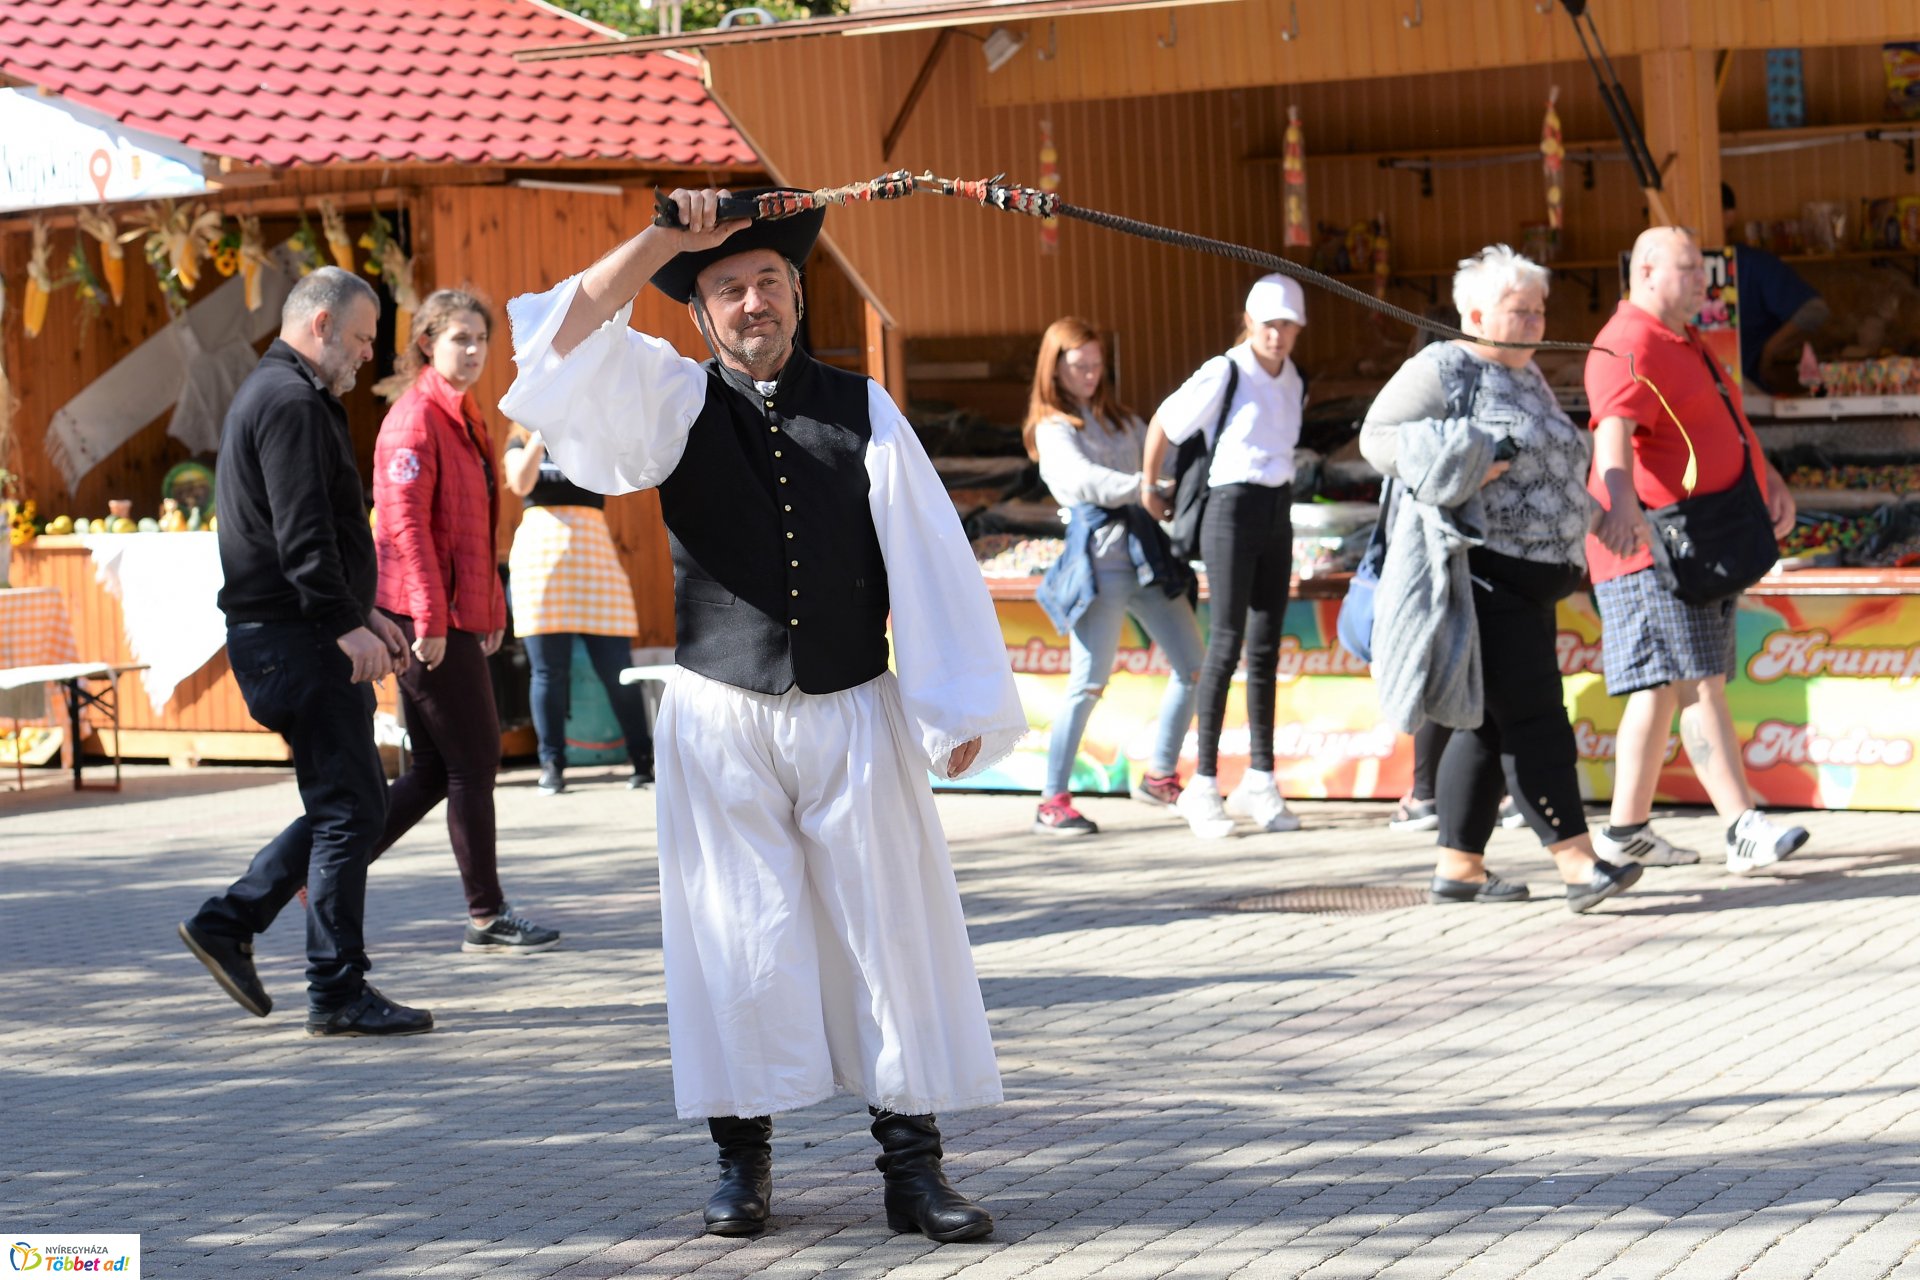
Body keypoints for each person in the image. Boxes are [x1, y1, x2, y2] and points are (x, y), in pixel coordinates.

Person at [498, 187, 1024, 1243]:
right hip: (720, 714)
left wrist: (953, 699)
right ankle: (744, 1166)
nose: (750, 303)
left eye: (768, 283)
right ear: (700, 312)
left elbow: (927, 557)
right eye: (729, 288)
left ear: (797, 294)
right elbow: (553, 346)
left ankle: (913, 1173)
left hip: (852, 707)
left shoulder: (865, 406)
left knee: (892, 933)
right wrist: (662, 238)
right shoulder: (668, 399)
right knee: (732, 936)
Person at [177, 267, 432, 1037]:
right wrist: (342, 622)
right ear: (319, 324)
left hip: (300, 632)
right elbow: (302, 533)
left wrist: (367, 615)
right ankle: (334, 988)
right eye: (358, 339)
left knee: (344, 806)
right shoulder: (287, 400)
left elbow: (317, 531)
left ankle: (232, 924)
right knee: (352, 811)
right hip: (296, 638)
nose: (363, 357)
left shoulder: (291, 394)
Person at [1362, 245, 1643, 913]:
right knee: (1538, 719)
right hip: (1482, 574)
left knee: (1484, 726)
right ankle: (1577, 864)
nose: (1536, 323)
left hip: (1536, 576)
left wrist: (1598, 516)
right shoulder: (1444, 366)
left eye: (1541, 311)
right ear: (1477, 313)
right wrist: (1468, 457)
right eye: (1521, 312)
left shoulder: (1529, 375)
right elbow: (1379, 437)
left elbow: (1548, 468)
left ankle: (1459, 868)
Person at [1584, 227, 1810, 874]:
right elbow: (1613, 432)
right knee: (1695, 683)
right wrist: (1622, 503)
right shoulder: (1627, 340)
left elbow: (1726, 424)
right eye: (1689, 270)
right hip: (1653, 543)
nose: (1704, 284)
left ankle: (1626, 830)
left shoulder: (1684, 341)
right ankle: (1741, 826)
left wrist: (1768, 479)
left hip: (1696, 538)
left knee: (1666, 689)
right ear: (1647, 270)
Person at [369, 289, 560, 955]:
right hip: (428, 619)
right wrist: (429, 618)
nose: (474, 351)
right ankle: (487, 912)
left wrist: (491, 605)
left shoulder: (463, 415)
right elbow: (406, 531)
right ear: (428, 343)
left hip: (453, 615)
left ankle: (311, 870)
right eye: (460, 339)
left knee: (431, 772)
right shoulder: (415, 418)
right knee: (475, 763)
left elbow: (476, 525)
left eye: (481, 339)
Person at [1141, 274, 1309, 839]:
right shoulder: (1227, 369)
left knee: (1265, 648)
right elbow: (1165, 420)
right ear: (1250, 321)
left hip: (1275, 508)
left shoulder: (1293, 379)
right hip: (1229, 508)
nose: (1278, 336)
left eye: (1288, 325)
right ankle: (1204, 784)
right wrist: (1148, 485)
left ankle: (1261, 777)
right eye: (1269, 324)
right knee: (1226, 644)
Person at [1027, 317, 1206, 836]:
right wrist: (1146, 486)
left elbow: (1163, 453)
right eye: (1079, 366)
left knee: (1194, 665)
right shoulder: (1052, 426)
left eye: (1097, 366)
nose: (1089, 375)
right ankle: (1052, 800)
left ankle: (1159, 774)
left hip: (1147, 557)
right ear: (1054, 368)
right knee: (1088, 682)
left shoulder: (1123, 420)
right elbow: (1084, 481)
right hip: (1099, 562)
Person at [503, 426, 656, 796]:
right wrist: (539, 435)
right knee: (548, 672)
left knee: (616, 668)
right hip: (540, 560)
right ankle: (552, 764)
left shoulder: (588, 431)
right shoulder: (518, 440)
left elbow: (614, 475)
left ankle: (643, 760)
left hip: (593, 554)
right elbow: (520, 484)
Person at [1723, 183, 1829, 393]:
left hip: (1750, 391)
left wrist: (1769, 351)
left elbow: (1815, 310)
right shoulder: (1672, 273)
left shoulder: (1752, 263)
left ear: (1729, 216)